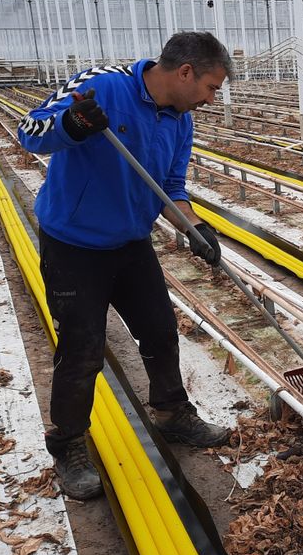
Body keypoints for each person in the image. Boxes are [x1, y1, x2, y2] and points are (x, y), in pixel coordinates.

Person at [18, 32, 235, 500]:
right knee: (82, 349)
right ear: (185, 72)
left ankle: (173, 413)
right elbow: (29, 132)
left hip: (132, 242)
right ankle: (68, 444)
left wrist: (197, 229)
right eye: (211, 87)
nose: (211, 99)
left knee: (159, 330)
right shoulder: (105, 86)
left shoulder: (179, 119)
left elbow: (171, 187)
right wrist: (75, 123)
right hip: (75, 244)